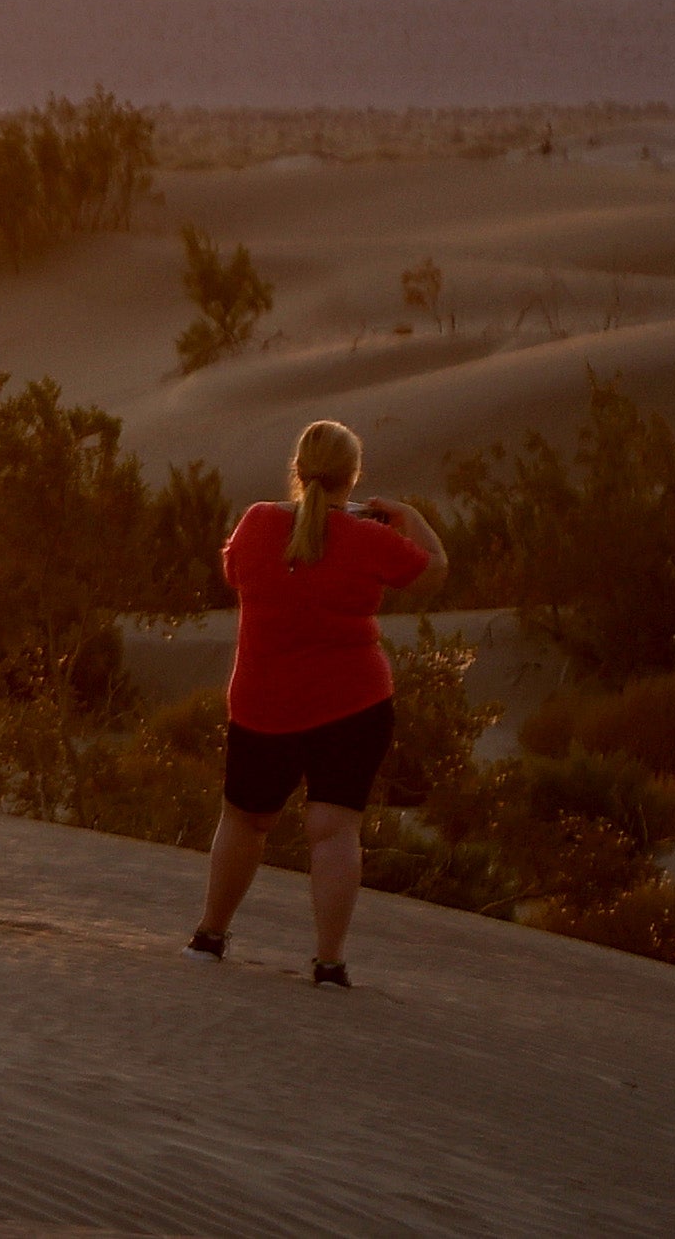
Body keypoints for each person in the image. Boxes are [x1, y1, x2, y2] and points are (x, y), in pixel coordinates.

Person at [194, 417, 443, 988]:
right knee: (333, 832)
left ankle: (210, 935)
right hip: (354, 704)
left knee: (244, 819)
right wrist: (412, 520)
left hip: (264, 702)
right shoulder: (372, 538)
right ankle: (329, 962)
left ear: (299, 471)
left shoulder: (257, 523)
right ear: (352, 477)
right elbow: (435, 574)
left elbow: (232, 569)